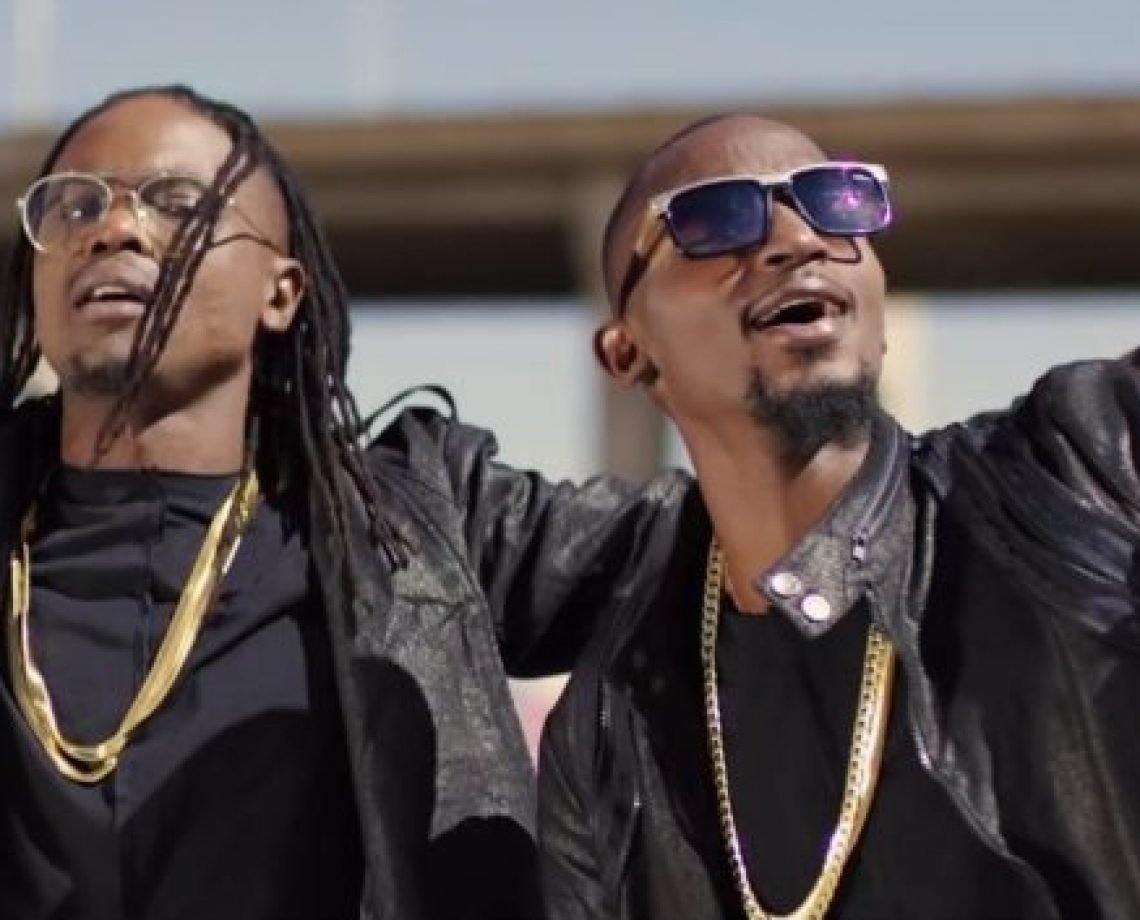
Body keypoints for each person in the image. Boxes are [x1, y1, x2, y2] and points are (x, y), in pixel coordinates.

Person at [0, 84, 688, 920]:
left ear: (280, 293)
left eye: (175, 201)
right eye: (72, 205)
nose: (112, 228)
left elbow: (704, 540)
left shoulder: (416, 530)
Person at [538, 112, 1140, 920]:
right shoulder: (610, 731)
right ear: (628, 353)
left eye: (837, 202)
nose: (798, 239)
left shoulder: (1081, 464)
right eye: (717, 218)